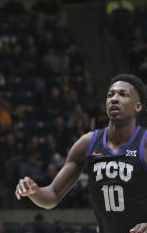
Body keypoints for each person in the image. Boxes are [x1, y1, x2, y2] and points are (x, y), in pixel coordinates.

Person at [15, 74, 147, 233]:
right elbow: (52, 195)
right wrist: (34, 191)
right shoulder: (87, 143)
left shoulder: (144, 143)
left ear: (137, 106)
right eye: (110, 95)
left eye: (123, 94)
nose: (114, 99)